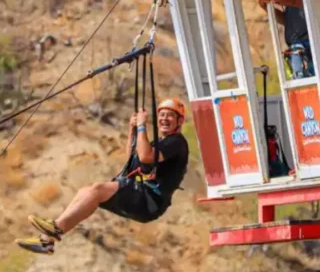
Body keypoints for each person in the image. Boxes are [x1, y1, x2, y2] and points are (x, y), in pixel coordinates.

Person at [16, 98, 190, 255]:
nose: (164, 119)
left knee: (98, 190)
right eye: (162, 115)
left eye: (170, 116)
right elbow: (134, 158)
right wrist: (132, 131)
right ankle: (48, 240)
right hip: (143, 199)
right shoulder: (160, 144)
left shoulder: (176, 142)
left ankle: (56, 228)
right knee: (87, 192)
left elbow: (145, 156)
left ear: (180, 121)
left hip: (148, 201)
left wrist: (143, 125)